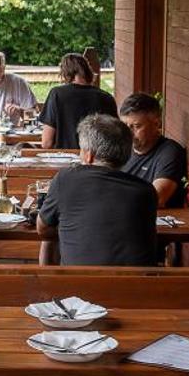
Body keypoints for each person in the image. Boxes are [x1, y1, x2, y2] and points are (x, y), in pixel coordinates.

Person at [34, 114, 160, 266]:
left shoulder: (66, 179)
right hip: (136, 286)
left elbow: (42, 228)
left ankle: (49, 286)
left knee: (48, 241)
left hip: (79, 286)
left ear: (89, 155)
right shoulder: (146, 191)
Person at [119, 92, 189, 208]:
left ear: (156, 124)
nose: (128, 133)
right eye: (125, 126)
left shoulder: (170, 151)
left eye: (136, 126)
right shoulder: (123, 148)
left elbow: (157, 198)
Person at [39, 52, 117, 150]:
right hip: (97, 160)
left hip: (65, 160)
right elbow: (114, 139)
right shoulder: (107, 97)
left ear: (65, 73)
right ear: (88, 71)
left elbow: (46, 143)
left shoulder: (57, 94)